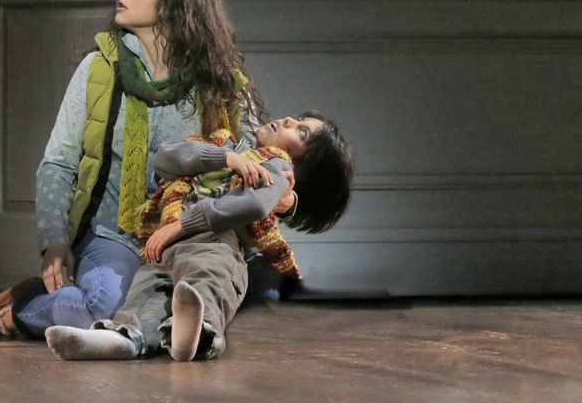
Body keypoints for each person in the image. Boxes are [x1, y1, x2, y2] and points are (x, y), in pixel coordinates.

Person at [0, 0, 267, 339]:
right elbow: (59, 162)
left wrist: (279, 191)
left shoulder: (219, 81)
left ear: (176, 3)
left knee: (174, 312)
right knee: (106, 310)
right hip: (113, 233)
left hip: (187, 235)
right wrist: (54, 242)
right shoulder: (99, 69)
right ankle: (22, 307)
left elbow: (256, 158)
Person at [45, 112, 354, 362]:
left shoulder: (276, 164)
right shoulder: (229, 146)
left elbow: (256, 203)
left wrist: (181, 225)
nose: (289, 121)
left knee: (207, 279)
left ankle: (198, 334)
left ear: (300, 168)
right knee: (149, 291)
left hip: (216, 241)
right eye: (298, 118)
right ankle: (124, 339)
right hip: (165, 248)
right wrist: (225, 158)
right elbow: (166, 159)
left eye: (301, 133)